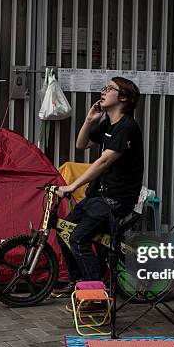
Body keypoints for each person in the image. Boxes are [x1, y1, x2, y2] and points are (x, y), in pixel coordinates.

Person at [52, 77, 144, 296]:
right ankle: (76, 284)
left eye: (109, 89)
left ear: (123, 97)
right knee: (64, 232)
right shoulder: (108, 124)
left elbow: (103, 161)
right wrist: (89, 119)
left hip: (116, 199)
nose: (103, 91)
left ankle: (95, 293)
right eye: (104, 88)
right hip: (98, 196)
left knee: (78, 238)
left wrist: (72, 186)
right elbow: (81, 144)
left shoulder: (127, 127)